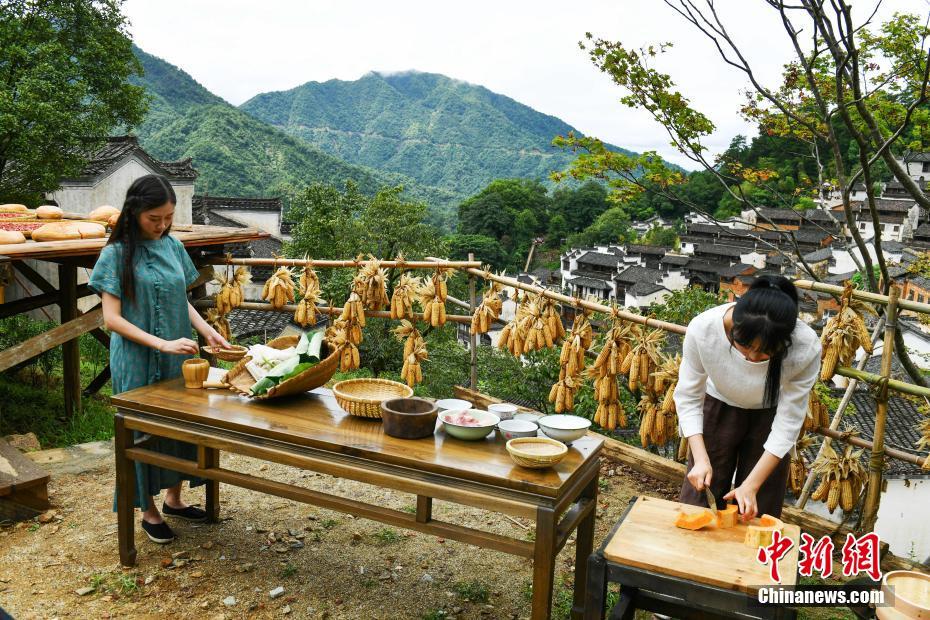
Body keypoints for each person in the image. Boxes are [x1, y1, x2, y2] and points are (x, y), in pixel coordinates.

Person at [89, 174, 230, 543]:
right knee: (142, 431)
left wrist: (207, 331)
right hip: (137, 357)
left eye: (168, 217)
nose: (162, 225)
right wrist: (160, 344)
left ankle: (174, 499)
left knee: (180, 423)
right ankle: (148, 510)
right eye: (155, 218)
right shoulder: (115, 254)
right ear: (134, 212)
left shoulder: (172, 246)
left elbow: (179, 299)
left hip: (176, 353)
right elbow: (112, 319)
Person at [674, 275, 821, 520]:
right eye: (744, 345)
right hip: (717, 406)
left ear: (784, 344)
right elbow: (688, 396)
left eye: (765, 353)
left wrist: (751, 485)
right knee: (700, 497)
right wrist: (699, 458)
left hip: (770, 416)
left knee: (758, 506)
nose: (752, 357)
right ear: (735, 327)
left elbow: (788, 423)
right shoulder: (703, 329)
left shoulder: (805, 347)